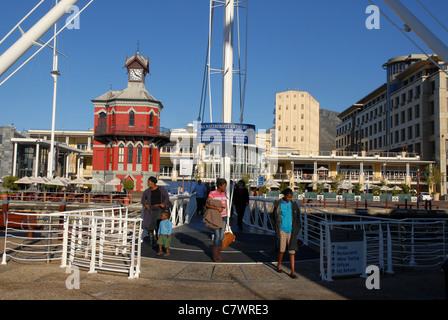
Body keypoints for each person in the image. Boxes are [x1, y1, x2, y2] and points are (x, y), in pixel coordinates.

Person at [270, 188, 301, 279]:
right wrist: (276, 228)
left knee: (292, 251)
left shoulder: (294, 205)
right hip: (282, 230)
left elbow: (297, 217)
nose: (289, 199)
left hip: (292, 230)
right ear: (284, 196)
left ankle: (293, 271)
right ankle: (279, 264)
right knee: (281, 250)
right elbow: (273, 217)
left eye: (291, 197)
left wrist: (297, 228)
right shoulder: (279, 205)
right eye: (288, 197)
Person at [141, 176, 170, 248]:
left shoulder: (161, 189)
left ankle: (158, 241)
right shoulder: (147, 191)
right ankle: (151, 242)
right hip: (150, 209)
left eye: (148, 182)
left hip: (159, 209)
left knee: (158, 225)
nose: (147, 183)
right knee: (150, 226)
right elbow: (143, 200)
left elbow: (166, 197)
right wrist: (145, 205)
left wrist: (164, 203)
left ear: (153, 183)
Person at [205, 178, 228, 262]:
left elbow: (225, 204)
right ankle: (215, 255)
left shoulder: (224, 193)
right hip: (216, 218)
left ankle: (218, 253)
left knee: (221, 237)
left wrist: (228, 215)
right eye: (224, 186)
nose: (225, 188)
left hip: (224, 216)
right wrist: (216, 208)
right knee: (217, 236)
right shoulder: (212, 193)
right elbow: (207, 204)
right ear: (219, 186)